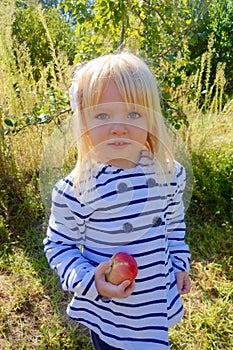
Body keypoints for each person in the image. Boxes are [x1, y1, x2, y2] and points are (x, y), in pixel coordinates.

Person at [43, 52, 191, 350]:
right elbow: (59, 246)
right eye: (103, 115)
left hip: (155, 310)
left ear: (151, 116)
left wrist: (179, 262)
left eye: (133, 114)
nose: (119, 127)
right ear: (83, 120)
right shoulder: (76, 188)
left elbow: (173, 224)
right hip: (110, 315)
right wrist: (91, 280)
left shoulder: (168, 172)